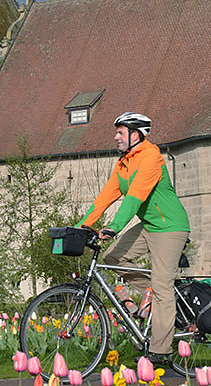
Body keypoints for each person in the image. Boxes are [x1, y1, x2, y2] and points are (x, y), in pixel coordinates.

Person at [78, 112, 190, 365]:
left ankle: (161, 349)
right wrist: (82, 225)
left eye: (120, 132)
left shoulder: (151, 157)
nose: (115, 137)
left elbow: (134, 197)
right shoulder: (124, 163)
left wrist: (114, 227)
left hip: (170, 227)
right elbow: (105, 198)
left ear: (136, 135)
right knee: (113, 257)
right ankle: (155, 290)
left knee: (162, 287)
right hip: (149, 226)